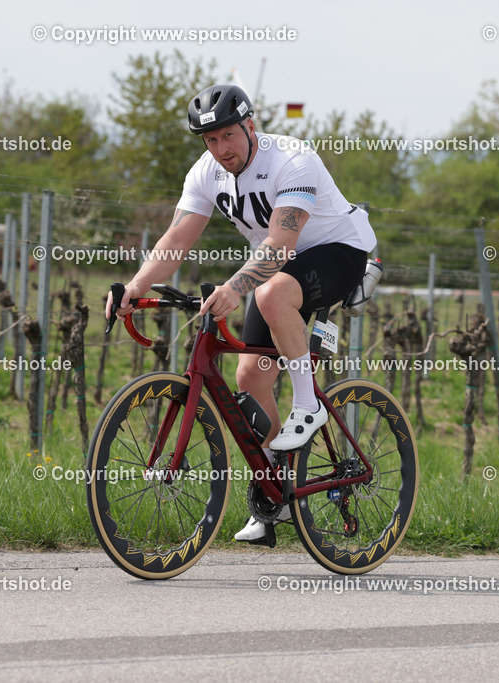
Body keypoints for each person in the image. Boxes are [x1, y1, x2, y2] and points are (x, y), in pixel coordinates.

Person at [105, 84, 376, 541]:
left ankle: (309, 406)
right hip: (278, 268)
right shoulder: (206, 172)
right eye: (210, 141)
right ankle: (274, 493)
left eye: (228, 135)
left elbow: (283, 244)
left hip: (339, 252)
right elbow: (175, 240)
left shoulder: (292, 159)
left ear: (250, 126)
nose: (221, 149)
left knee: (269, 296)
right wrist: (135, 285)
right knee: (250, 378)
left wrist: (234, 287)